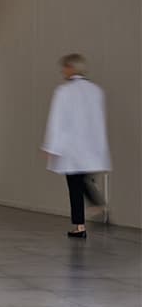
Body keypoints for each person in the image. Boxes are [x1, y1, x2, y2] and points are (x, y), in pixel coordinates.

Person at [42, 53, 111, 238]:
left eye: (65, 67)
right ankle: (96, 204)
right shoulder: (96, 91)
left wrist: (51, 147)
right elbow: (99, 121)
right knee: (83, 180)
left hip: (70, 148)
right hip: (91, 147)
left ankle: (80, 226)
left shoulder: (64, 92)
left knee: (75, 186)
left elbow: (56, 122)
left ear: (72, 68)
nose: (63, 71)